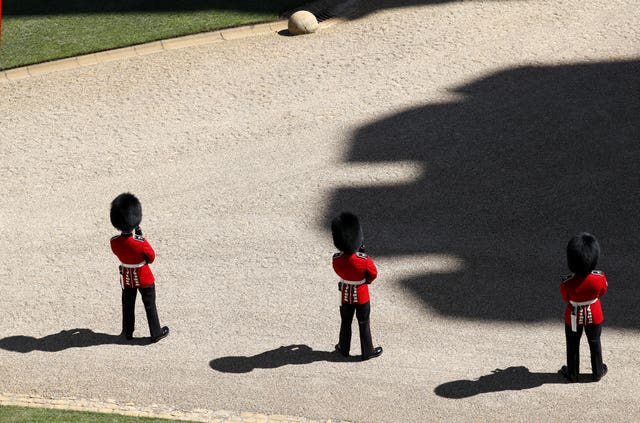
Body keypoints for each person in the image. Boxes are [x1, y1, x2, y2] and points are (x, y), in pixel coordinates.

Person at [110, 193, 169, 343]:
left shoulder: (114, 242)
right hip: (144, 277)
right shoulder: (140, 242)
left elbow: (123, 251)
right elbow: (151, 257)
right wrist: (141, 237)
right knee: (150, 306)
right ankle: (156, 332)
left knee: (128, 306)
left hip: (127, 278)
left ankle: (127, 332)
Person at [331, 212, 383, 360]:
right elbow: (373, 274)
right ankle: (367, 351)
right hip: (361, 294)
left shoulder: (337, 259)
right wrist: (365, 281)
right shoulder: (363, 259)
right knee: (364, 322)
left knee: (345, 322)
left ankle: (343, 347)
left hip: (345, 294)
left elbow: (339, 270)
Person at [559, 232, 608, 382]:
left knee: (573, 343)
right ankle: (598, 371)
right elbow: (602, 292)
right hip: (595, 314)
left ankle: (573, 373)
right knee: (595, 341)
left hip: (573, 316)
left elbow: (566, 298)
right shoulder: (599, 278)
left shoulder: (567, 282)